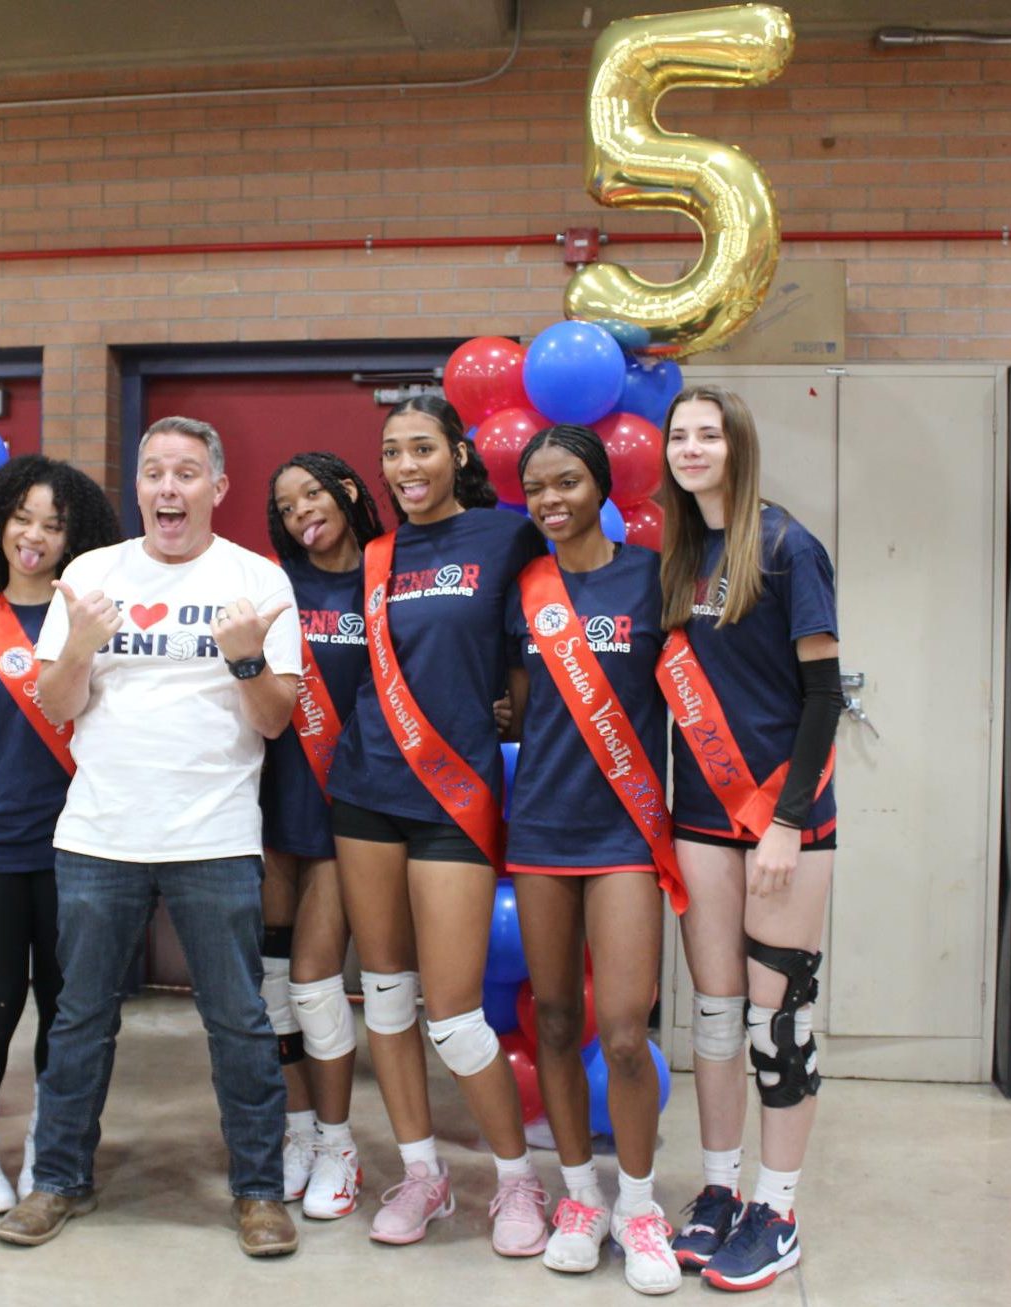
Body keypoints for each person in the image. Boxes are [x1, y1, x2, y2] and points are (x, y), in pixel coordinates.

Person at [0, 416, 302, 1258]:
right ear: (138, 487)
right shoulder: (91, 574)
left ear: (217, 487)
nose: (169, 488)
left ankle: (258, 1191)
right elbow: (57, 706)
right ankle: (56, 1179)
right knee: (79, 1018)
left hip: (215, 836)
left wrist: (244, 658)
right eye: (154, 472)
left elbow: (275, 721)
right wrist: (82, 646)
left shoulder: (258, 579)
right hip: (100, 833)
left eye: (187, 473)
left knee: (239, 1022)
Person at [325, 395, 548, 1253]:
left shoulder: (506, 536)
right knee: (385, 998)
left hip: (453, 795)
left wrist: (511, 709)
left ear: (457, 452)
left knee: (453, 1016)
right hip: (367, 788)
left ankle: (517, 1182)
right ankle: (422, 1175)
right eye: (392, 451)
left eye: (422, 447)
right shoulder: (376, 554)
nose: (406, 465)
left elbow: (540, 633)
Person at [659, 387, 842, 1293]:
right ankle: (721, 1190)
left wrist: (785, 821)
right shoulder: (676, 557)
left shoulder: (784, 543)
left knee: (780, 1025)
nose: (691, 447)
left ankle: (777, 1207)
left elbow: (821, 695)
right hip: (698, 814)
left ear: (736, 447)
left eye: (708, 434)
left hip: (779, 820)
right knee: (718, 1017)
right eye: (678, 435)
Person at [505, 424, 687, 1295]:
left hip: (622, 833)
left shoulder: (650, 579)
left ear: (601, 485)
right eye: (535, 485)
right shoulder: (524, 590)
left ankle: (640, 1205)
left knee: (620, 1029)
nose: (550, 499)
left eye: (567, 481)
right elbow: (517, 706)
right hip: (538, 827)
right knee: (548, 1018)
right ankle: (579, 1194)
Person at [0, 455, 119, 1214]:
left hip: (75, 839)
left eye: (54, 523)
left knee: (66, 1002)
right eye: (23, 517)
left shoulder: (92, 616)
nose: (35, 535)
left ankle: (54, 1146)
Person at [259, 452, 381, 1220]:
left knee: (312, 983)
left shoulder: (386, 574)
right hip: (269, 808)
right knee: (272, 993)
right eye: (285, 501)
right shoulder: (270, 588)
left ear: (346, 493)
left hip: (348, 811)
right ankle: (297, 1130)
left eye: (313, 491)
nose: (302, 508)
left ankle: (339, 1142)